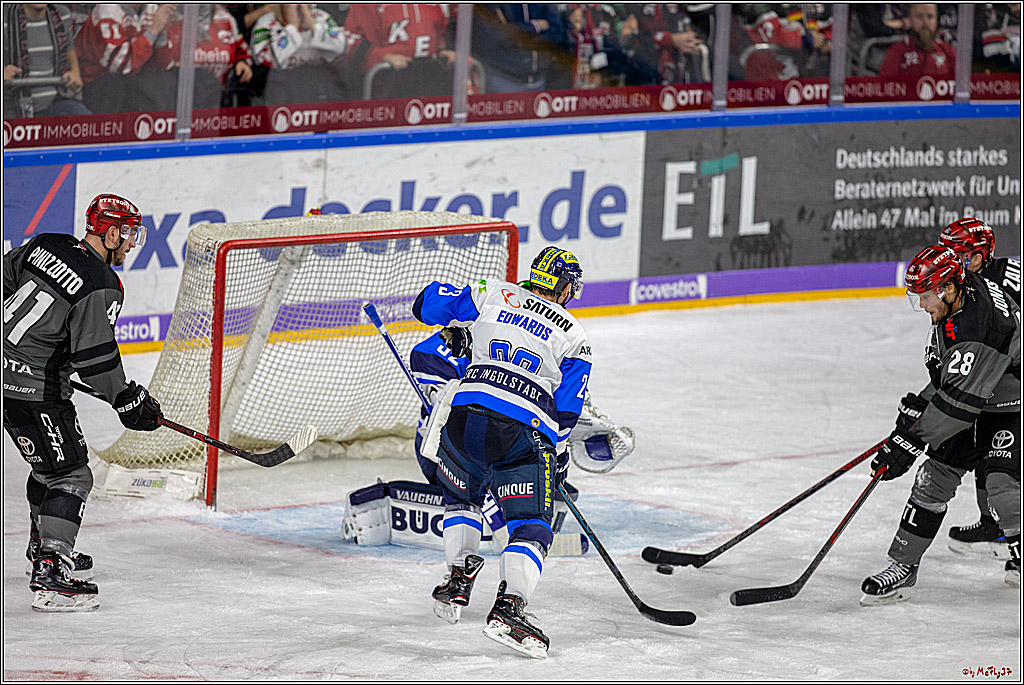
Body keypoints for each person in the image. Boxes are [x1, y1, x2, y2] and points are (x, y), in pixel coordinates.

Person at [412, 246, 589, 659]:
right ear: (564, 287)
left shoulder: (495, 292)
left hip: (462, 417)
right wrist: (552, 457)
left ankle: (458, 579)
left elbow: (425, 304)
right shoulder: (575, 335)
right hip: (519, 432)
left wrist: (460, 329)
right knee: (531, 523)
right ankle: (509, 610)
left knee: (462, 497)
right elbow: (565, 413)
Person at [3, 193, 164, 612]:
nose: (130, 244)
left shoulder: (46, 243)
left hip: (7, 375)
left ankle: (44, 551)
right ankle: (52, 573)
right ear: (109, 232)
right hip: (36, 390)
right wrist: (126, 399)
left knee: (47, 469)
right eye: (127, 234)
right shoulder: (102, 283)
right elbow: (96, 358)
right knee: (71, 475)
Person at [862, 245, 1021, 605]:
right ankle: (902, 567)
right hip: (980, 398)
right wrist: (920, 405)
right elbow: (955, 377)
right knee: (933, 480)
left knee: (1002, 485)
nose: (922, 305)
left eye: (928, 295)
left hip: (1013, 407)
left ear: (950, 288)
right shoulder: (960, 301)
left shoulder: (979, 325)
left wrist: (908, 442)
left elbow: (957, 407)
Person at [937, 218, 1022, 559]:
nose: (957, 262)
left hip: (1013, 381)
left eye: (965, 256)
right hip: (993, 382)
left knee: (1008, 463)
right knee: (988, 446)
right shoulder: (963, 284)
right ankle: (993, 524)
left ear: (983, 253)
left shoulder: (1007, 279)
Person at [74, 3, 180, 113]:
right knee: (117, 84)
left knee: (167, 80)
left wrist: (163, 31)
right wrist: (153, 31)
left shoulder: (151, 9)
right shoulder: (107, 8)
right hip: (96, 85)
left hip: (130, 83)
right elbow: (120, 64)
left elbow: (159, 67)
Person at [249, 3, 354, 105]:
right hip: (282, 90)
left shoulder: (321, 17)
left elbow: (343, 47)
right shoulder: (267, 22)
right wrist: (292, 28)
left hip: (320, 86)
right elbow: (263, 60)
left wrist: (313, 28)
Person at [343, 3, 455, 99]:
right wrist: (383, 57)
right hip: (386, 85)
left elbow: (440, 32)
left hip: (429, 80)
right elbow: (350, 42)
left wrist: (442, 50)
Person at [3, 3, 90, 118]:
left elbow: (69, 46)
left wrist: (75, 72)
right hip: (14, 107)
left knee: (88, 122)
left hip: (56, 102)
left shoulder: (62, 15)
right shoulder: (5, 19)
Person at [878, 3, 956, 79]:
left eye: (930, 16)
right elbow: (885, 87)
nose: (925, 22)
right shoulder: (896, 51)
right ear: (910, 20)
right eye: (919, 16)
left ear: (936, 21)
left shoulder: (947, 51)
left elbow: (963, 84)